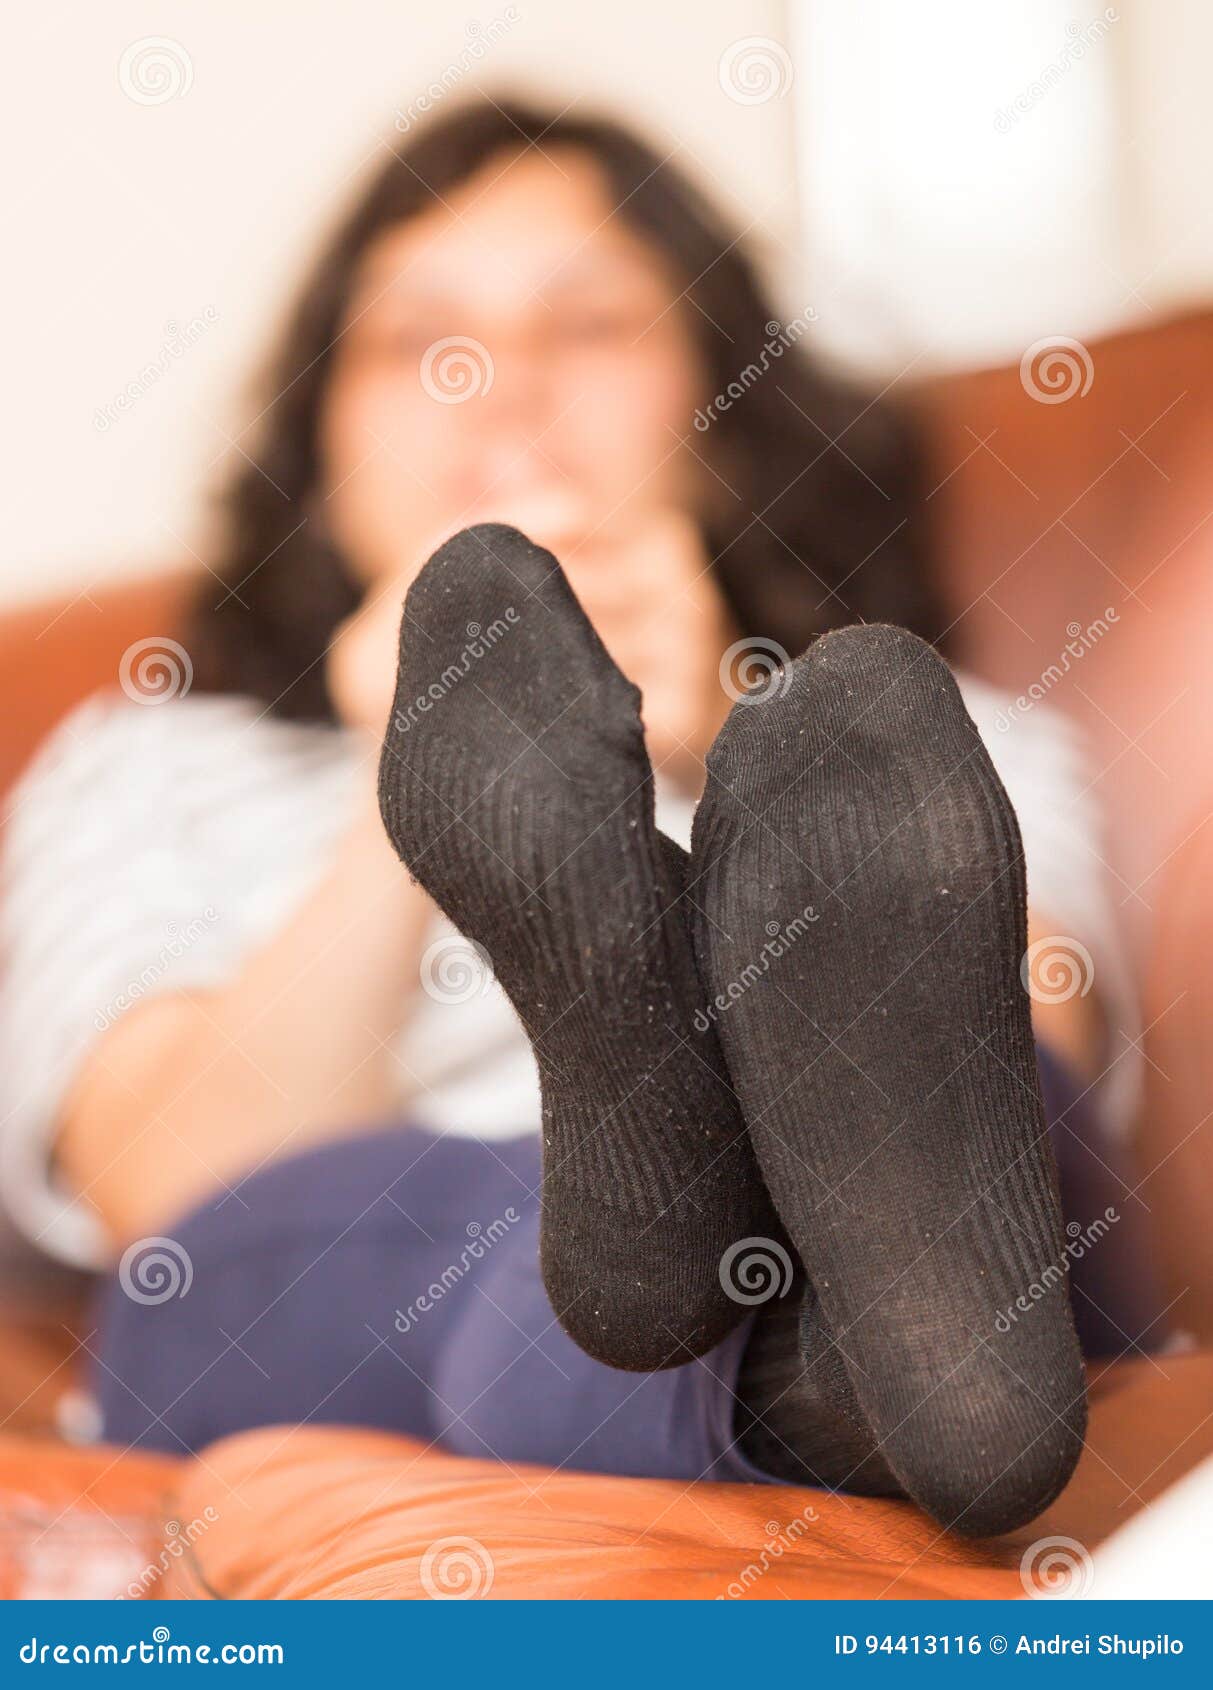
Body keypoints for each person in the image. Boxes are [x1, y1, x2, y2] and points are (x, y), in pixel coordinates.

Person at [0, 100, 1153, 1537]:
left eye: (592, 325)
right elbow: (174, 1181)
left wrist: (723, 743)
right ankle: (839, 1352)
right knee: (319, 1251)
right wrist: (412, 791)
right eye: (420, 340)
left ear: (720, 409)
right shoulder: (151, 765)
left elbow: (1029, 1050)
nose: (499, 384)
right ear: (324, 446)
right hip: (370, 1247)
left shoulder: (901, 724)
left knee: (925, 1106)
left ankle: (719, 1259)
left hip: (961, 1208)